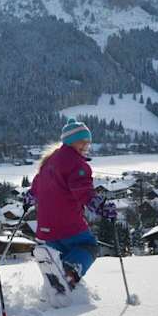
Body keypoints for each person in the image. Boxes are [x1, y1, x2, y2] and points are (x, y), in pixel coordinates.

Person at [28, 117, 109, 287]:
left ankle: (57, 285)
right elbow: (83, 190)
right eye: (81, 142)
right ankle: (69, 274)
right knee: (89, 246)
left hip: (45, 229)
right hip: (68, 224)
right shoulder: (76, 164)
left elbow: (36, 187)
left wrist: (29, 197)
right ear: (70, 142)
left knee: (62, 255)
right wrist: (100, 205)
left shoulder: (48, 162)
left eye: (88, 142)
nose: (86, 146)